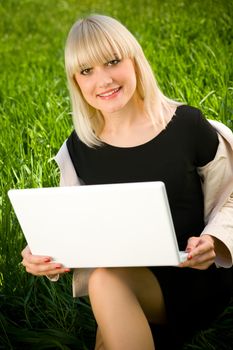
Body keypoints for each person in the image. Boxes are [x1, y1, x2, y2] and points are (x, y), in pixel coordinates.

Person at [21, 14, 233, 350]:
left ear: (134, 60)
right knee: (105, 279)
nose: (102, 80)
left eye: (112, 61)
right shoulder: (80, 148)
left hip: (195, 275)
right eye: (86, 70)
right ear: (76, 81)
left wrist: (215, 242)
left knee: (104, 285)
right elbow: (74, 226)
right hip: (127, 279)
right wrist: (43, 251)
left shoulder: (186, 125)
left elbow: (231, 195)